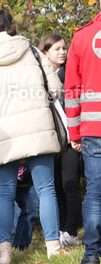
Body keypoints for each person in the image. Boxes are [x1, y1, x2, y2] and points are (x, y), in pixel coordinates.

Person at [0, 10, 66, 264]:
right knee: (46, 189)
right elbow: (55, 89)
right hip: (36, 127)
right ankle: (54, 249)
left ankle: (5, 255)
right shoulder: (32, 51)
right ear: (11, 28)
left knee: (4, 193)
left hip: (2, 135)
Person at [65, 5, 101, 264]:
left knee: (95, 193)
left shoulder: (81, 37)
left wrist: (74, 132)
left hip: (93, 129)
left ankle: (91, 257)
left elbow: (72, 91)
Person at [41, 33, 83, 247]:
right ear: (45, 52)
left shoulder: (71, 74)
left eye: (64, 48)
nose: (63, 52)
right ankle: (60, 231)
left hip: (70, 139)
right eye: (57, 48)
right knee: (55, 186)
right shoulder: (40, 77)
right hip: (50, 139)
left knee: (70, 184)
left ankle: (71, 233)